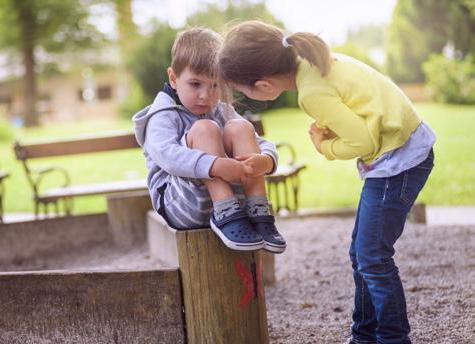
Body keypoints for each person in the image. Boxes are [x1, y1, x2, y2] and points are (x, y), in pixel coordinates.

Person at [218, 20, 435, 344]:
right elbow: (362, 109)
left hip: (399, 162)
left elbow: (363, 143)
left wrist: (325, 147)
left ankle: (393, 338)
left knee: (373, 256)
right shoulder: (312, 61)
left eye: (242, 90)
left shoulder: (311, 92)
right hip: (403, 149)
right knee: (361, 252)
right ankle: (363, 335)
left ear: (263, 86)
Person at [132, 27, 286, 253]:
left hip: (236, 205)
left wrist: (267, 160)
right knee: (205, 129)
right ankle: (226, 211)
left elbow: (258, 141)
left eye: (215, 85)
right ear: (174, 78)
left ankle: (258, 210)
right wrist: (213, 165)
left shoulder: (219, 108)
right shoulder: (162, 115)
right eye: (195, 84)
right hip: (182, 204)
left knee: (240, 127)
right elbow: (167, 155)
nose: (206, 95)